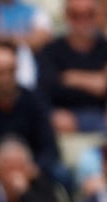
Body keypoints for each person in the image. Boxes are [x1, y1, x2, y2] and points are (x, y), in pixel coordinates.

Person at [0, 40, 66, 190]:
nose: (4, 78)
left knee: (61, 174)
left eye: (9, 71)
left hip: (29, 166)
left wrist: (33, 166)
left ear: (17, 70)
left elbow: (49, 147)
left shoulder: (35, 101)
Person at [35, 0, 107, 135]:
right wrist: (95, 81)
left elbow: (103, 85)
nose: (83, 20)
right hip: (65, 118)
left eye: (89, 14)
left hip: (102, 117)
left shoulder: (104, 47)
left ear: (97, 16)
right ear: (66, 17)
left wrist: (71, 77)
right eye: (76, 15)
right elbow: (45, 89)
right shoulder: (50, 51)